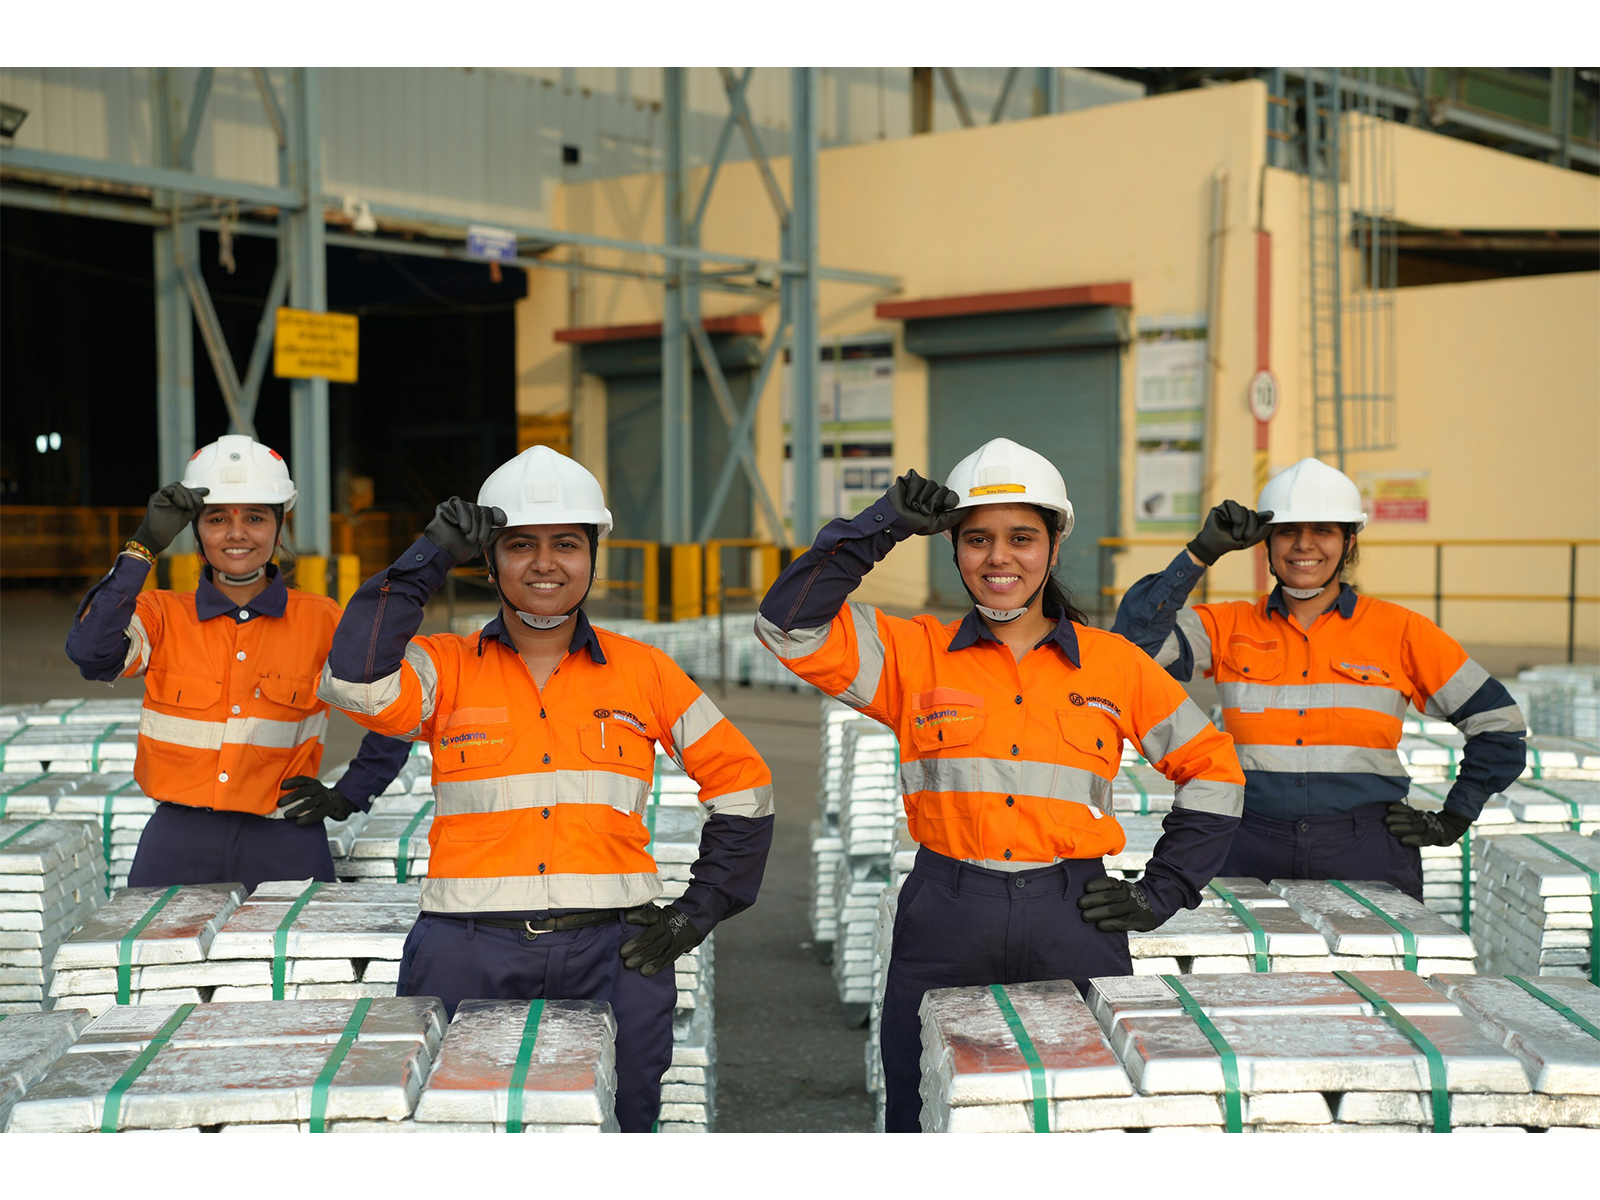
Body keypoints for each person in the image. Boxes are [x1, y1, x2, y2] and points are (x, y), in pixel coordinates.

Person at [754, 437, 1244, 1133]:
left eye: (1021, 537)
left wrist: (1161, 891)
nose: (999, 558)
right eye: (977, 540)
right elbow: (785, 625)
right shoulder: (909, 654)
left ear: (1052, 547)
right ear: (954, 550)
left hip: (1074, 916)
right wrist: (881, 525)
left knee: (1083, 1114)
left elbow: (1214, 771)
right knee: (926, 1109)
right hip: (948, 914)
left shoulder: (1113, 665)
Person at [318, 445, 774, 1132]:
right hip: (463, 949)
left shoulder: (645, 673)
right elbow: (355, 680)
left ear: (593, 554)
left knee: (620, 1127)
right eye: (520, 545)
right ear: (489, 559)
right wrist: (428, 555)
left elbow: (745, 785)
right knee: (456, 1136)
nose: (544, 563)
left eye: (567, 543)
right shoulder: (442, 667)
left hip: (615, 954)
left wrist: (700, 910)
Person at [1111, 456, 1527, 899]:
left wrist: (1453, 818)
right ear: (1267, 545)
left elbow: (1499, 723)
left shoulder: (1401, 630)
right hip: (1247, 842)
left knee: (1376, 971)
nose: (1303, 546)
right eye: (1288, 531)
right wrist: (1198, 554)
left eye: (1323, 531)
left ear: (1348, 544)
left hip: (1366, 847)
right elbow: (1132, 648)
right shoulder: (1227, 625)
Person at [65, 435, 410, 891]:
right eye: (217, 518)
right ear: (195, 530)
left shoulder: (323, 620)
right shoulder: (160, 615)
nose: (236, 533)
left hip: (286, 840)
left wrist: (351, 793)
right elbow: (91, 654)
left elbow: (397, 712)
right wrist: (142, 545)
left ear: (278, 526)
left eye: (255, 517)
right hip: (176, 842)